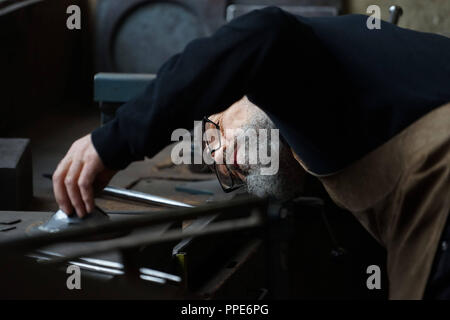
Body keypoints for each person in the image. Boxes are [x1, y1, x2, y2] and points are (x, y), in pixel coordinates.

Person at [52, 7, 450, 299]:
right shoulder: (328, 145)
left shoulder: (304, 76)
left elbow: (263, 30)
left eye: (217, 130)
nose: (225, 156)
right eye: (229, 174)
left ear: (245, 90)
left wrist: (115, 140)